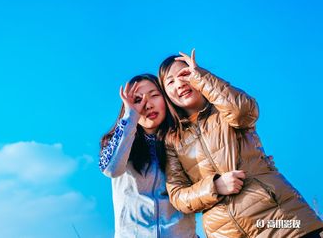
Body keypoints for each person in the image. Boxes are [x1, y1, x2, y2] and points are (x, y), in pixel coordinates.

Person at [158, 49, 323, 238]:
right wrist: (215, 187)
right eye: (170, 81)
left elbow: (244, 111)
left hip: (280, 223)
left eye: (185, 74)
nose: (179, 83)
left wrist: (202, 77)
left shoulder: (224, 109)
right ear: (166, 94)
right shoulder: (173, 140)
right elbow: (178, 196)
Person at [99, 74, 197, 238]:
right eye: (138, 100)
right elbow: (111, 169)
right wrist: (130, 118)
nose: (148, 105)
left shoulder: (186, 140)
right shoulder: (119, 140)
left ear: (166, 99)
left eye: (154, 95)